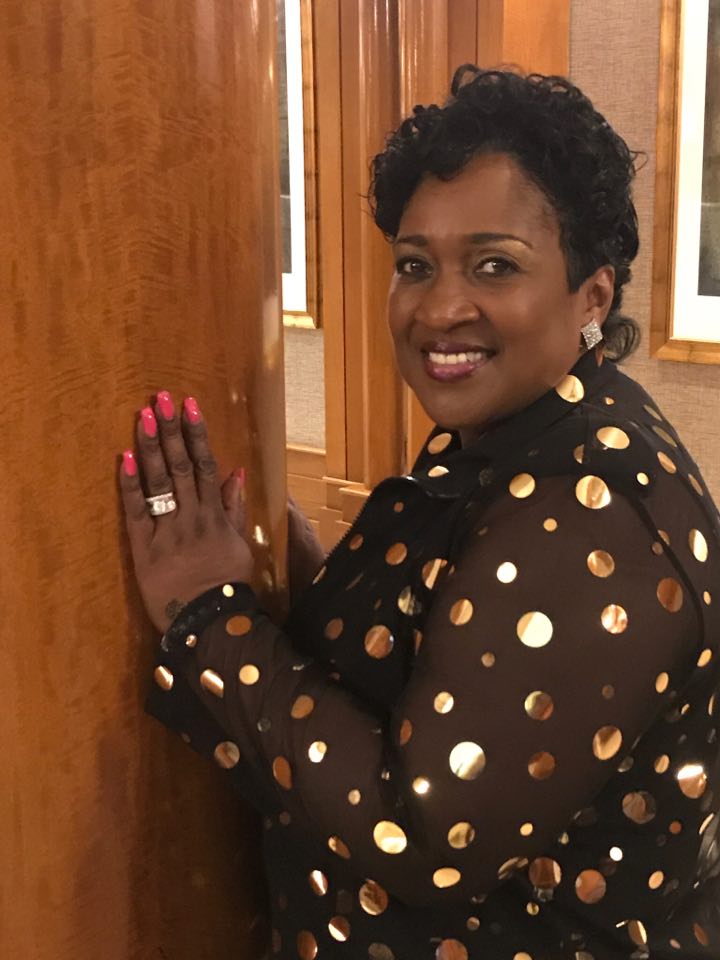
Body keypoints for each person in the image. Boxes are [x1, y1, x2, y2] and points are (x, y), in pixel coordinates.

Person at [119, 67, 720, 960]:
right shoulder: (528, 430)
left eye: (494, 265)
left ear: (592, 295)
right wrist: (305, 566)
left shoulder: (594, 506)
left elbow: (426, 840)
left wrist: (211, 621)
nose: (439, 308)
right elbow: (453, 657)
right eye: (414, 265)